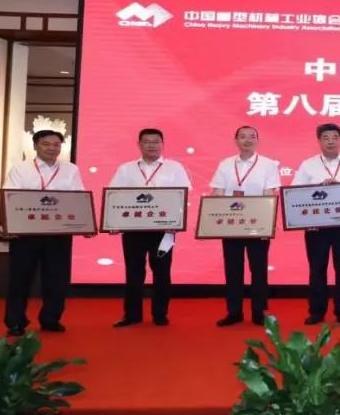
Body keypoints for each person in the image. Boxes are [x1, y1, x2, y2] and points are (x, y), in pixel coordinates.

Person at [2, 130, 86, 336]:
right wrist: (8, 225)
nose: (51, 148)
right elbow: (10, 197)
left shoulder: (71, 169)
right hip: (25, 233)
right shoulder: (20, 169)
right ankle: (15, 322)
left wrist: (84, 224)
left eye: (56, 144)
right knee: (20, 279)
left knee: (57, 278)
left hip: (58, 233)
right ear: (35, 146)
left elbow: (79, 197)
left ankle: (51, 319)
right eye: (46, 144)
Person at [109, 128, 192, 328]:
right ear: (139, 145)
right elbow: (114, 195)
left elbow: (183, 195)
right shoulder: (126, 169)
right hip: (133, 229)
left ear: (162, 144)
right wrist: (112, 222)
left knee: (162, 272)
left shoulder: (174, 167)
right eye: (147, 142)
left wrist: (176, 221)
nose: (151, 145)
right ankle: (132, 315)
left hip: (163, 230)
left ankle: (160, 314)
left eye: (156, 142)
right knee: (133, 272)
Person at [291, 123, 340, 325]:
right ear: (319, 141)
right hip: (316, 224)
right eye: (326, 138)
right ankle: (316, 311)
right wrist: (317, 187)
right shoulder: (308, 164)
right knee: (317, 268)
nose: (330, 141)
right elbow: (294, 189)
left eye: (335, 137)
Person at [209, 126, 281, 326]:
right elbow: (218, 193)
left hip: (257, 225)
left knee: (259, 270)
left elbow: (269, 194)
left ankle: (259, 312)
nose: (247, 140)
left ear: (257, 140)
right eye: (243, 137)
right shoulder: (225, 164)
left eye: (252, 137)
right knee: (233, 269)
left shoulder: (267, 164)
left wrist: (267, 222)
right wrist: (213, 217)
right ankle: (234, 312)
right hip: (231, 224)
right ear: (236, 140)